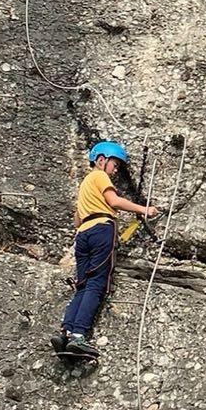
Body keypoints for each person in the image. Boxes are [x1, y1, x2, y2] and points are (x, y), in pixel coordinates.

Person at [52, 141, 157, 356]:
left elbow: (77, 219)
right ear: (101, 160)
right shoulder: (100, 176)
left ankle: (66, 332)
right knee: (96, 284)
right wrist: (143, 209)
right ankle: (79, 336)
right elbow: (113, 200)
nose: (115, 170)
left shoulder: (84, 185)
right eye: (115, 164)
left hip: (83, 235)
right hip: (101, 229)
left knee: (83, 285)